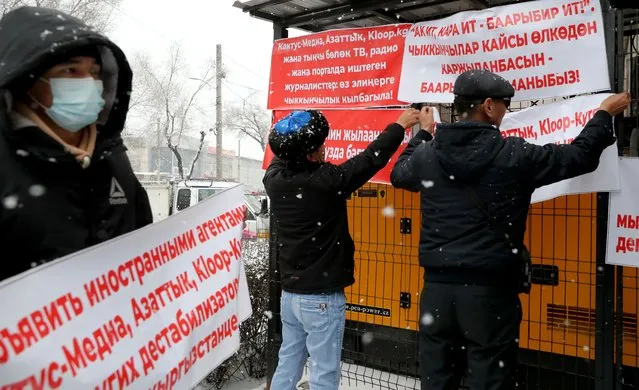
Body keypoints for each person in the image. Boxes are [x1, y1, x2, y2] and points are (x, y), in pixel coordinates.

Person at [390, 69, 630, 390]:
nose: (507, 111)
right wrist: (603, 114)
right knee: (490, 379)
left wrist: (422, 133)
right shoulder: (513, 155)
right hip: (490, 295)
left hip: (437, 293)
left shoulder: (428, 154)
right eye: (505, 104)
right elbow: (578, 157)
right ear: (488, 106)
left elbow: (399, 175)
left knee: (438, 380)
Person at [264, 108, 426, 389]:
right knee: (324, 374)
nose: (325, 148)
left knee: (288, 362)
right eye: (320, 145)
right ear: (311, 154)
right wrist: (400, 126)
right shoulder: (327, 181)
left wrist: (293, 136)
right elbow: (370, 159)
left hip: (290, 296)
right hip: (321, 300)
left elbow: (287, 155)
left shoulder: (274, 180)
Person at [0, 6, 153, 282]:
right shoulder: (6, 166)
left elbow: (146, 251)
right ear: (26, 80)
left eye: (95, 72)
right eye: (70, 70)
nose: (88, 83)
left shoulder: (113, 158)